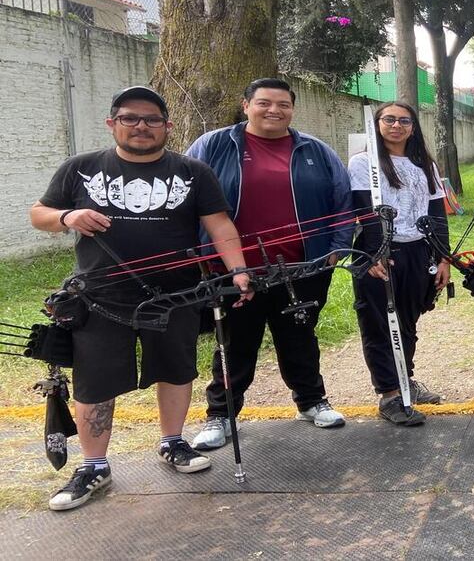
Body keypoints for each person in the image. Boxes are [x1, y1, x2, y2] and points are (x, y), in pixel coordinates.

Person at [30, 86, 252, 511]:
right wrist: (66, 216)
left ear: (167, 127)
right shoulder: (80, 168)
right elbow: (39, 214)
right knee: (94, 381)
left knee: (176, 369)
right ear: (112, 123)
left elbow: (220, 226)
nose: (141, 126)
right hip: (99, 294)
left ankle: (173, 442)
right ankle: (94, 465)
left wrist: (238, 270)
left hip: (176, 292)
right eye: (130, 118)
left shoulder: (193, 172)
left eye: (151, 119)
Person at [186, 78, 352, 450]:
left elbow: (342, 201)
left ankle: (311, 401)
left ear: (292, 109)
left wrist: (338, 247)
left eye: (283, 104)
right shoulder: (213, 145)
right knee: (234, 342)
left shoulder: (316, 150)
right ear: (245, 105)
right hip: (231, 269)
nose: (274, 110)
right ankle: (220, 416)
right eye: (264, 103)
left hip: (304, 266)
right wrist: (198, 253)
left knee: (300, 335)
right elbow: (187, 197)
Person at [349, 102, 450, 426]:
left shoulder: (425, 165)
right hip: (380, 254)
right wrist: (374, 253)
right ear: (377, 124)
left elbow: (436, 213)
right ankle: (390, 393)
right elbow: (365, 212)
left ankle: (406, 380)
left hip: (418, 252)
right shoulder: (364, 163)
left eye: (404, 120)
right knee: (380, 324)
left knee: (407, 321)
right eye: (389, 119)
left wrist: (442, 256)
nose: (396, 125)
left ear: (413, 126)